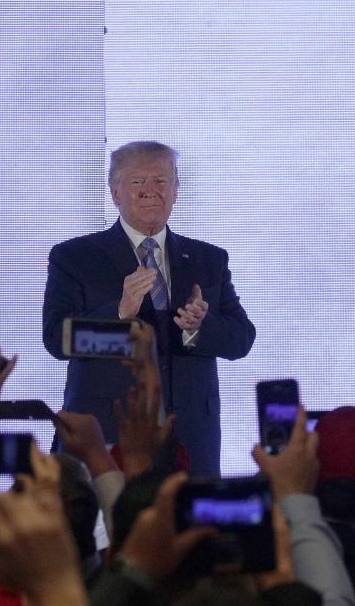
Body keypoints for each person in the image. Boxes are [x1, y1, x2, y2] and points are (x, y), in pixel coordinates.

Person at [43, 141, 256, 475]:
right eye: (137, 182)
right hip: (106, 440)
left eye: (160, 181)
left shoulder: (208, 260)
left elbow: (241, 339)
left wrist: (201, 327)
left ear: (175, 191)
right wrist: (119, 313)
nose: (150, 191)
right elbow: (58, 339)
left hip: (192, 443)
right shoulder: (74, 258)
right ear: (115, 193)